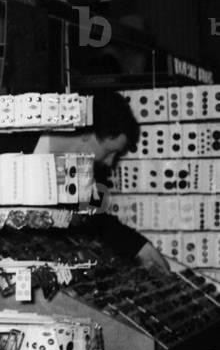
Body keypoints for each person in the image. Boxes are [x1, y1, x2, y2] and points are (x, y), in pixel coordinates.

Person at [31, 90, 169, 271]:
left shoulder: (86, 170)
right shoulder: (8, 144)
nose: (110, 162)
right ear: (86, 133)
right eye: (109, 151)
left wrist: (140, 247)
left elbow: (97, 219)